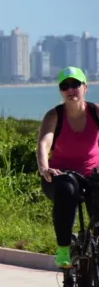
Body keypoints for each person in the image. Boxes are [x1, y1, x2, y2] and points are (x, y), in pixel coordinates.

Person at [37, 66, 99, 268]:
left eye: (75, 84)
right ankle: (63, 248)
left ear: (85, 88)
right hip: (60, 177)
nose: (71, 89)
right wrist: (45, 168)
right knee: (67, 188)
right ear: (61, 91)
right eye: (65, 86)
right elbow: (44, 143)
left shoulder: (96, 112)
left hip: (93, 175)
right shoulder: (54, 116)